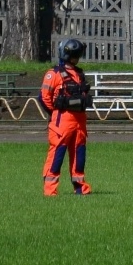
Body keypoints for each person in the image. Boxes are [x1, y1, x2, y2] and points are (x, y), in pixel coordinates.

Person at [40, 39, 93, 196]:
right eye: (75, 55)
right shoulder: (53, 74)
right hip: (61, 120)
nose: (77, 58)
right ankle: (50, 190)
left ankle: (80, 187)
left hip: (79, 121)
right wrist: (56, 113)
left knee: (79, 154)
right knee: (57, 154)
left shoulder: (79, 74)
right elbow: (44, 98)